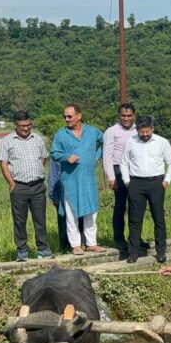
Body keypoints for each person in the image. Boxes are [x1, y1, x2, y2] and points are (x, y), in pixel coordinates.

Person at [0, 111, 55, 261]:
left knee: (40, 220)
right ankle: (22, 250)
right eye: (22, 126)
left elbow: (43, 158)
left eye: (28, 125)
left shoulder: (37, 138)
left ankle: (43, 249)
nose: (26, 128)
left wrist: (36, 172)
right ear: (15, 125)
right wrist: (11, 183)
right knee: (20, 221)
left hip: (37, 186)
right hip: (19, 187)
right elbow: (3, 163)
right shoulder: (7, 141)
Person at [120, 115, 171, 264]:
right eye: (142, 132)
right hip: (136, 183)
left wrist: (167, 180)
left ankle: (161, 252)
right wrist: (127, 181)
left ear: (152, 128)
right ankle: (133, 253)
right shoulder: (130, 142)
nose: (145, 135)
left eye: (147, 132)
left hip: (156, 183)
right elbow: (123, 162)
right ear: (137, 129)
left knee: (158, 218)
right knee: (134, 219)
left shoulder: (162, 142)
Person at [50, 104, 106, 255]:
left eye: (69, 116)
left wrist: (97, 156)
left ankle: (92, 243)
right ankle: (75, 245)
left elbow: (105, 141)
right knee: (71, 213)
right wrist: (66, 157)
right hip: (70, 180)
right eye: (65, 116)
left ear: (79, 116)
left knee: (91, 212)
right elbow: (54, 153)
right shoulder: (61, 134)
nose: (66, 119)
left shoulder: (92, 131)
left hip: (89, 180)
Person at [103, 102, 148, 254]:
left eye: (129, 115)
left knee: (136, 206)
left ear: (134, 115)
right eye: (123, 115)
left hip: (136, 171)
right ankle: (119, 239)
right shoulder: (111, 131)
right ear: (119, 115)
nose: (126, 118)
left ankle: (136, 238)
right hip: (119, 171)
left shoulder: (139, 130)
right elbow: (107, 156)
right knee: (120, 206)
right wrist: (111, 177)